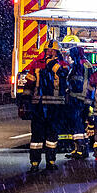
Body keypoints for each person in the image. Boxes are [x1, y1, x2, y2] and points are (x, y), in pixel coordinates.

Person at [25, 40, 68, 172]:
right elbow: (29, 83)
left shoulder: (62, 64)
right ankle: (34, 163)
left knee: (52, 136)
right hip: (39, 105)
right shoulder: (37, 64)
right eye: (48, 50)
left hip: (55, 105)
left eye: (52, 50)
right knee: (36, 137)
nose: (50, 52)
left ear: (57, 52)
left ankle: (50, 161)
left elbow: (64, 75)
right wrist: (26, 101)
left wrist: (52, 64)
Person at [65, 46, 93, 159]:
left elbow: (78, 82)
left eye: (72, 54)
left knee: (78, 124)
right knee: (81, 124)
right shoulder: (84, 64)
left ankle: (80, 149)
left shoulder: (80, 65)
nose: (70, 57)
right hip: (82, 98)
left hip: (79, 98)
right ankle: (81, 148)